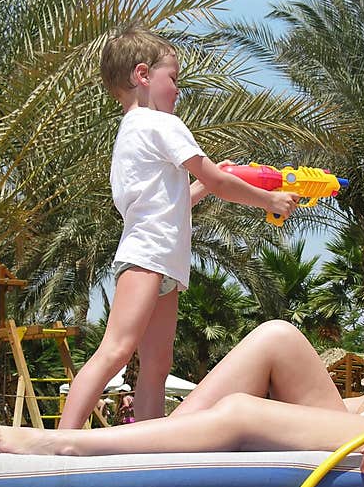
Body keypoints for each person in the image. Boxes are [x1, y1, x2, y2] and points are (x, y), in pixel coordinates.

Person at [0, 192, 364, 476]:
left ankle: (70, 445)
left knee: (240, 410)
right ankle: (148, 443)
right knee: (277, 333)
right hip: (362, 423)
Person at [56, 24, 300, 429]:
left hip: (162, 260)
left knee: (156, 363)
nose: (178, 90)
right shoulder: (161, 124)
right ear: (142, 75)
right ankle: (60, 445)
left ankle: (147, 445)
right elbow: (223, 183)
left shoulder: (131, 132)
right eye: (174, 78)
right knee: (117, 349)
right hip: (149, 256)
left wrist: (202, 184)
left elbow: (172, 202)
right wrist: (269, 200)